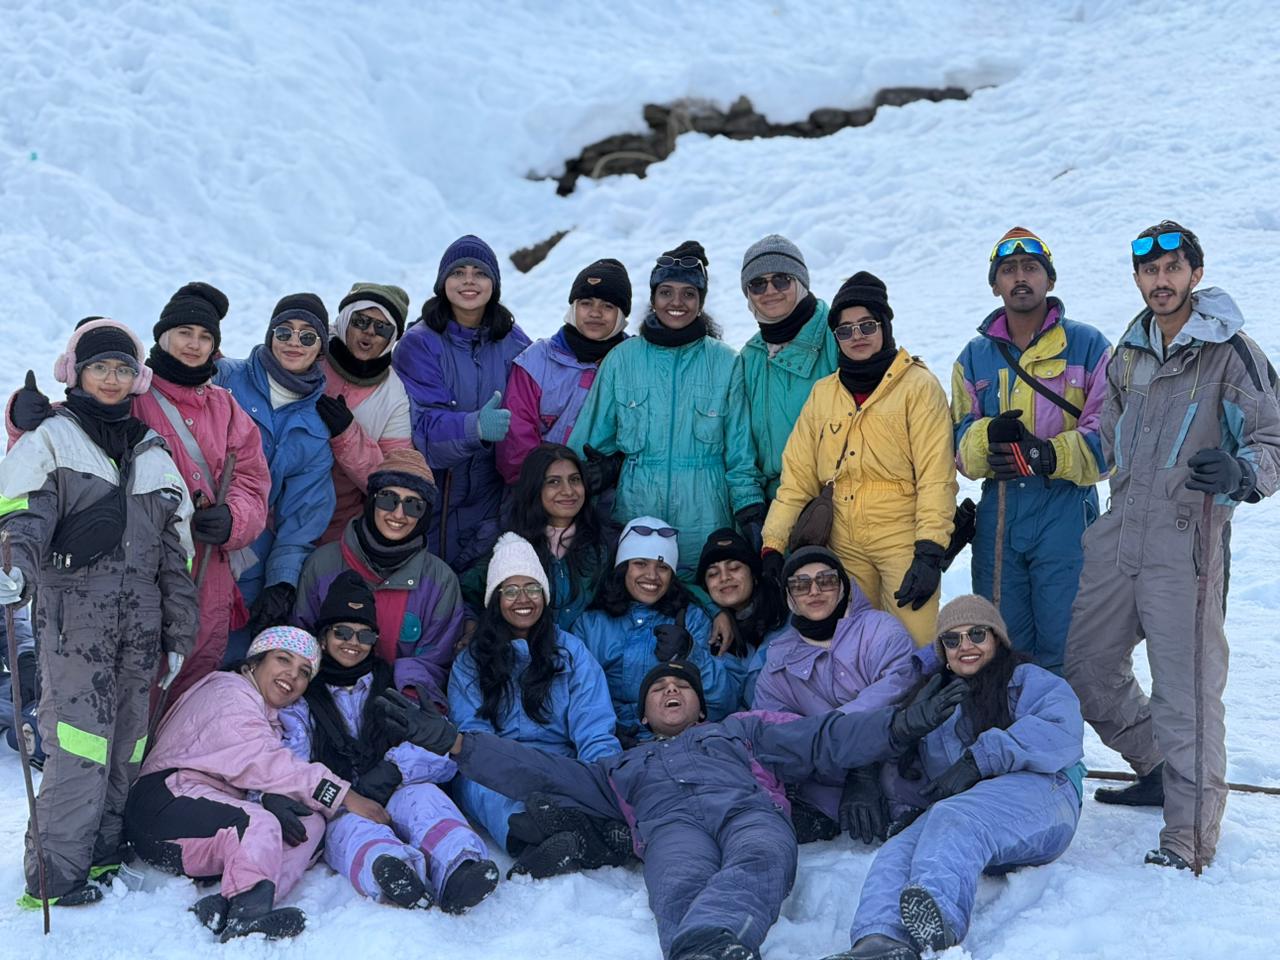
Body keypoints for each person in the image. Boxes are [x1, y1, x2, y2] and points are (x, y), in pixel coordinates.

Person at [374, 656, 969, 960]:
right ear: (644, 716)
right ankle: (705, 947)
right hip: (669, 828)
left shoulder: (738, 732)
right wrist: (456, 743)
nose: (671, 690)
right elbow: (540, 770)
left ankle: (709, 942)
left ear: (700, 708)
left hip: (745, 809)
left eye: (681, 685)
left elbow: (821, 739)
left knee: (764, 856)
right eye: (658, 689)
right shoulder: (618, 767)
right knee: (676, 884)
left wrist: (899, 726)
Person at [1064, 222, 1280, 871]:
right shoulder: (1128, 352)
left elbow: (1273, 438)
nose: (1161, 281)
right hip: (1120, 532)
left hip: (1186, 545)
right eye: (1150, 271)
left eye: (1173, 269)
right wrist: (1039, 454)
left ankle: (1187, 836)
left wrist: (1242, 472)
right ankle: (1157, 765)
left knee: (1186, 694)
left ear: (1195, 273)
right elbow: (1105, 439)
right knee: (1085, 668)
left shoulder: (1230, 352)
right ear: (1137, 277)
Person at [0, 318, 198, 907]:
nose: (111, 378)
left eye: (122, 368)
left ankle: (103, 852)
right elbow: (23, 517)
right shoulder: (52, 439)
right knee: (78, 745)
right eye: (98, 367)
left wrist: (179, 630)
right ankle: (54, 878)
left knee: (127, 744)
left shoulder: (153, 450)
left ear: (137, 378)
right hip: (73, 621)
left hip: (140, 626)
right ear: (76, 372)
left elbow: (176, 555)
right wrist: (16, 570)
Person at [6, 283, 272, 700]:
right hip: (137, 566)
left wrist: (234, 519)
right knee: (129, 686)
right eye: (184, 332)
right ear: (162, 336)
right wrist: (21, 418)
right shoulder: (133, 390)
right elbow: (65, 435)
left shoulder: (226, 408)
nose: (194, 344)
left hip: (207, 570)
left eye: (205, 337)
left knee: (191, 683)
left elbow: (253, 480)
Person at [829, 595, 1084, 960]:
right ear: (943, 651)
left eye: (977, 634)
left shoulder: (1027, 680)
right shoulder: (936, 699)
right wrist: (869, 779)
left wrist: (979, 760)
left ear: (996, 639)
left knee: (956, 816)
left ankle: (939, 921)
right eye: (952, 639)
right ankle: (880, 940)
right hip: (970, 822)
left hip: (1045, 796)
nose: (966, 646)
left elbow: (1062, 731)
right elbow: (914, 775)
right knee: (899, 850)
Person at [124, 627, 389, 941]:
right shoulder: (228, 691)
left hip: (207, 821)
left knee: (310, 825)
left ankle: (231, 904)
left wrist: (268, 797)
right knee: (257, 824)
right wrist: (343, 795)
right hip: (163, 805)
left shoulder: (267, 713)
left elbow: (252, 768)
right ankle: (246, 916)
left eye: (304, 672)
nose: (293, 675)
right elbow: (260, 759)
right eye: (283, 660)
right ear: (254, 662)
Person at [280, 572, 498, 912]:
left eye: (364, 634)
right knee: (352, 831)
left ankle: (460, 865)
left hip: (397, 789)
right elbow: (291, 766)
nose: (353, 642)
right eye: (342, 632)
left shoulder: (395, 680)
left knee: (425, 799)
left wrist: (394, 770)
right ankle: (392, 873)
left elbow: (440, 746)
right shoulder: (304, 697)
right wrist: (343, 795)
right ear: (323, 638)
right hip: (339, 805)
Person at [763, 272, 957, 646]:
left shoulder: (918, 387)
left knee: (913, 642)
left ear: (884, 326)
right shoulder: (823, 394)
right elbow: (798, 478)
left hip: (902, 537)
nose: (857, 336)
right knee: (852, 645)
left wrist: (930, 550)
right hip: (843, 540)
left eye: (867, 325)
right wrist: (773, 544)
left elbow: (936, 477)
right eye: (845, 330)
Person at [950, 228, 1112, 673]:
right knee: (1000, 647)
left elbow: (1111, 436)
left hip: (1067, 513)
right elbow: (958, 445)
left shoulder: (1090, 346)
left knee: (1068, 646)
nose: (1020, 277)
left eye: (1031, 267)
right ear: (995, 284)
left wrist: (1049, 456)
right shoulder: (973, 357)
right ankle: (1006, 721)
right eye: (1008, 270)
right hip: (999, 516)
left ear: (1049, 279)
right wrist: (987, 437)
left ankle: (1061, 721)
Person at [568, 240, 765, 576]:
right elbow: (589, 442)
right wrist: (590, 478)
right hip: (638, 515)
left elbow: (740, 454)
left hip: (707, 517)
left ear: (701, 302)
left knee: (703, 598)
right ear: (653, 298)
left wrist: (749, 512)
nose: (676, 302)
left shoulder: (726, 363)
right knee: (640, 594)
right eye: (666, 292)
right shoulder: (622, 360)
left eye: (689, 294)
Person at [449, 532, 622, 874]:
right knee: (474, 781)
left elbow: (594, 727)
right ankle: (532, 838)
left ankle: (582, 828)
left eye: (532, 588)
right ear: (495, 599)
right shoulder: (472, 661)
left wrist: (607, 786)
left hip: (560, 763)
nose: (523, 599)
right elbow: (473, 737)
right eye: (510, 590)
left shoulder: (571, 652)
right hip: (499, 766)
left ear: (544, 594)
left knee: (592, 780)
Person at [751, 547, 916, 843]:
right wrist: (845, 763)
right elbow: (778, 737)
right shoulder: (777, 665)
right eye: (801, 584)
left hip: (900, 765)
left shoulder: (880, 629)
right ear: (789, 596)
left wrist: (860, 764)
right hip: (828, 788)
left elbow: (899, 691)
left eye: (826, 580)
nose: (814, 591)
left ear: (843, 586)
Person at [392, 235, 531, 574]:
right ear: (443, 282)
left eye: (479, 273)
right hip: (433, 500)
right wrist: (475, 427)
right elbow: (421, 429)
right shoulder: (419, 344)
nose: (469, 281)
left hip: (491, 501)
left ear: (494, 284)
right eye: (458, 272)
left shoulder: (514, 343)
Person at [216, 293, 337, 657]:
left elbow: (302, 514)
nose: (293, 343)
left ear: (320, 348)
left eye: (307, 336)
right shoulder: (225, 377)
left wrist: (281, 581)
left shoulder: (316, 425)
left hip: (249, 565)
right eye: (284, 332)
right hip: (193, 542)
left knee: (228, 666)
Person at [295, 449, 462, 710]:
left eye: (413, 505)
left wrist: (392, 705)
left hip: (398, 706)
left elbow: (434, 662)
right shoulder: (322, 563)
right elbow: (302, 642)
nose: (398, 514)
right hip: (324, 702)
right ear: (371, 500)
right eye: (388, 499)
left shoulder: (441, 581)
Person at [572, 517, 742, 741]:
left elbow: (727, 702)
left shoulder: (691, 619)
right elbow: (576, 697)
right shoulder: (591, 625)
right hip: (609, 740)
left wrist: (692, 654)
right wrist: (611, 729)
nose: (652, 576)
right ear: (623, 567)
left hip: (682, 742)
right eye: (640, 563)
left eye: (662, 567)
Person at [497, 258, 631, 487]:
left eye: (608, 306)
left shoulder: (633, 363)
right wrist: (545, 486)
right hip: (538, 492)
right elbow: (516, 435)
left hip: (609, 496)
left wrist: (614, 467)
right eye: (586, 303)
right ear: (573, 307)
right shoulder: (537, 359)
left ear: (621, 315)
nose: (595, 313)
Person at [462, 443, 616, 632]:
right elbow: (468, 596)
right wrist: (471, 627)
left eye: (575, 480)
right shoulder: (511, 546)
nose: (568, 491)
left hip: (586, 650)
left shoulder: (603, 545)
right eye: (554, 482)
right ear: (535, 488)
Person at [734, 235, 839, 503]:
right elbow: (741, 445)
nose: (770, 290)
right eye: (757, 284)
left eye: (781, 279)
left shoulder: (839, 336)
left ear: (801, 282)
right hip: (776, 503)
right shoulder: (749, 358)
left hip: (837, 497)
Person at [316, 282, 417, 544]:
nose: (370, 331)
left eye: (382, 327)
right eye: (360, 321)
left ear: (392, 338)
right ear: (344, 321)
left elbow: (394, 479)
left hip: (339, 528)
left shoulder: (393, 394)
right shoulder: (311, 354)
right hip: (274, 514)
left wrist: (347, 436)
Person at [693, 527, 787, 706]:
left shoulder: (788, 614)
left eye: (734, 568)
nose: (724, 578)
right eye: (713, 573)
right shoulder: (707, 632)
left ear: (754, 575)